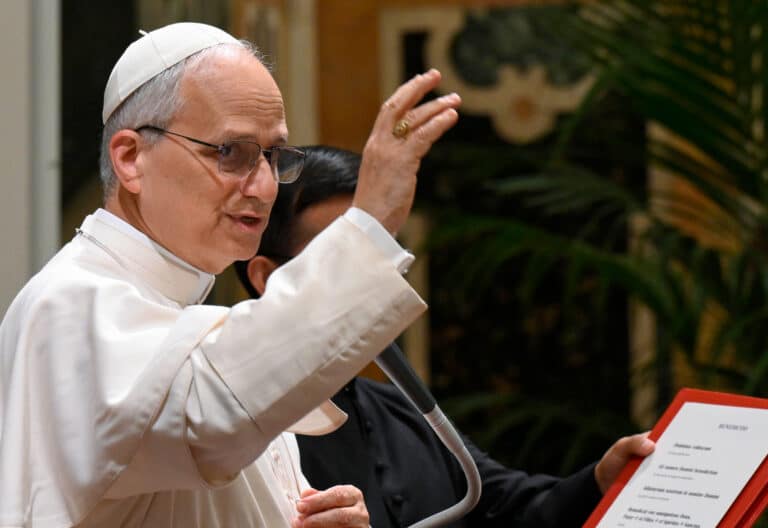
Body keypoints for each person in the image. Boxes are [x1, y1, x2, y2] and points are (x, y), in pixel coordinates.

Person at [0, 22, 463, 528]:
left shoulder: (185, 316)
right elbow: (213, 411)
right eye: (231, 153)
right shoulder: (70, 305)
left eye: (272, 157)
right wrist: (368, 225)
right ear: (131, 158)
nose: (264, 186)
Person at [235, 145, 656, 528]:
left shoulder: (399, 407)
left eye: (379, 253)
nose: (373, 277)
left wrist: (601, 480)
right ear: (269, 277)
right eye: (344, 256)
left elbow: (508, 507)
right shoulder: (235, 434)